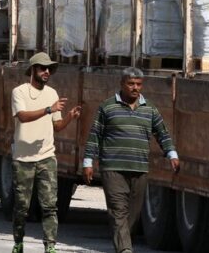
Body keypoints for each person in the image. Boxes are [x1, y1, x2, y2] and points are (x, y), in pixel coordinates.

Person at [83, 67, 180, 253]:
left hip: (139, 168)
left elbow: (163, 133)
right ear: (122, 84)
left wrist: (172, 154)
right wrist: (88, 162)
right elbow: (94, 135)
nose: (135, 88)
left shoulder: (149, 109)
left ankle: (122, 243)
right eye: (130, 84)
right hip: (112, 168)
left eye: (138, 84)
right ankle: (125, 250)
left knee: (133, 215)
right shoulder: (107, 107)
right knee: (118, 210)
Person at [11, 53, 81, 253]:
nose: (47, 72)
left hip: (47, 157)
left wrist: (69, 116)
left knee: (50, 205)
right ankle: (18, 242)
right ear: (33, 70)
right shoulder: (20, 92)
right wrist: (48, 110)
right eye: (42, 68)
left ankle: (50, 246)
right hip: (23, 158)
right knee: (22, 207)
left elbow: (57, 126)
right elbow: (22, 117)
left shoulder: (52, 93)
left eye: (49, 68)